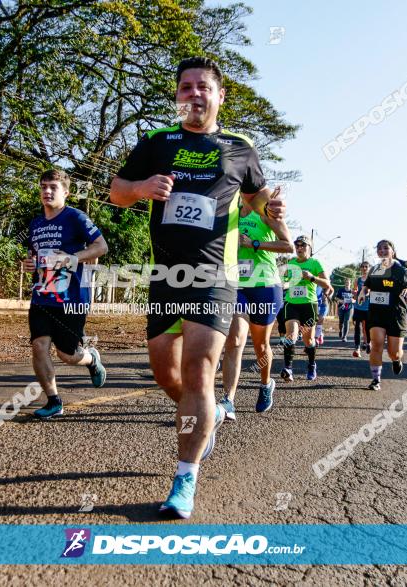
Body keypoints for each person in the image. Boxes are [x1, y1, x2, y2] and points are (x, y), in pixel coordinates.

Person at [110, 56, 285, 519]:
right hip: (166, 276)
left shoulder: (239, 147)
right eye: (185, 87)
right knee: (169, 377)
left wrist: (274, 212)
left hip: (214, 276)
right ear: (177, 96)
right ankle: (204, 417)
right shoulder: (156, 143)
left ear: (219, 95)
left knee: (199, 373)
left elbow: (258, 203)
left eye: (202, 86)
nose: (193, 94)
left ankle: (184, 478)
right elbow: (116, 191)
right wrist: (143, 187)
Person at [25, 169, 108, 419]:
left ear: (66, 192)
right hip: (42, 295)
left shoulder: (76, 217)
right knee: (39, 346)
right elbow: (34, 254)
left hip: (72, 297)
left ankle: (91, 359)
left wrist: (72, 258)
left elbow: (101, 247)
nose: (47, 191)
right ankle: (53, 400)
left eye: (52, 187)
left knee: (67, 354)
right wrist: (30, 263)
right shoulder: (36, 223)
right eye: (43, 187)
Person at [218, 198, 292, 419]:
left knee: (261, 345)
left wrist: (254, 244)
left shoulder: (265, 213)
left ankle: (266, 383)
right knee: (235, 340)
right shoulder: (228, 214)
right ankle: (228, 400)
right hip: (236, 285)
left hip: (265, 285)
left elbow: (287, 244)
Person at [358, 240, 407, 390]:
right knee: (376, 344)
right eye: (379, 249)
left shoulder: (401, 270)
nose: (382, 251)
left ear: (392, 252)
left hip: (396, 314)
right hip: (376, 313)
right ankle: (376, 380)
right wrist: (362, 293)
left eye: (386, 248)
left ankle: (396, 360)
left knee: (394, 352)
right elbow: (367, 286)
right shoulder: (374, 270)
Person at [279, 236, 331, 382]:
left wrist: (312, 277)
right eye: (297, 245)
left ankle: (311, 364)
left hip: (309, 305)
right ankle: (288, 369)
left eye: (303, 245)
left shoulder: (315, 263)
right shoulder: (291, 263)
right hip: (292, 303)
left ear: (310, 248)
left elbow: (327, 284)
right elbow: (285, 282)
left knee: (308, 341)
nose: (299, 248)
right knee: (291, 335)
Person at [351, 261, 371, 358]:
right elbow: (354, 291)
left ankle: (367, 344)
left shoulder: (371, 280)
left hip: (368, 308)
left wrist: (366, 293)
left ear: (369, 268)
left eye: (366, 267)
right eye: (362, 266)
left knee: (366, 328)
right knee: (357, 328)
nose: (364, 268)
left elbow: (369, 292)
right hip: (358, 307)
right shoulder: (357, 280)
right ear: (360, 268)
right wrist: (354, 293)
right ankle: (357, 348)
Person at [333, 278, 354, 342]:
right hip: (341, 308)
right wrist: (340, 300)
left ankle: (344, 336)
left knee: (346, 321)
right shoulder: (341, 290)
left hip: (349, 308)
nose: (347, 284)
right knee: (341, 321)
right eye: (346, 282)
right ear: (344, 283)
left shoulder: (352, 291)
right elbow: (336, 298)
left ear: (350, 283)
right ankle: (340, 331)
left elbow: (356, 299)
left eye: (348, 282)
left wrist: (353, 300)